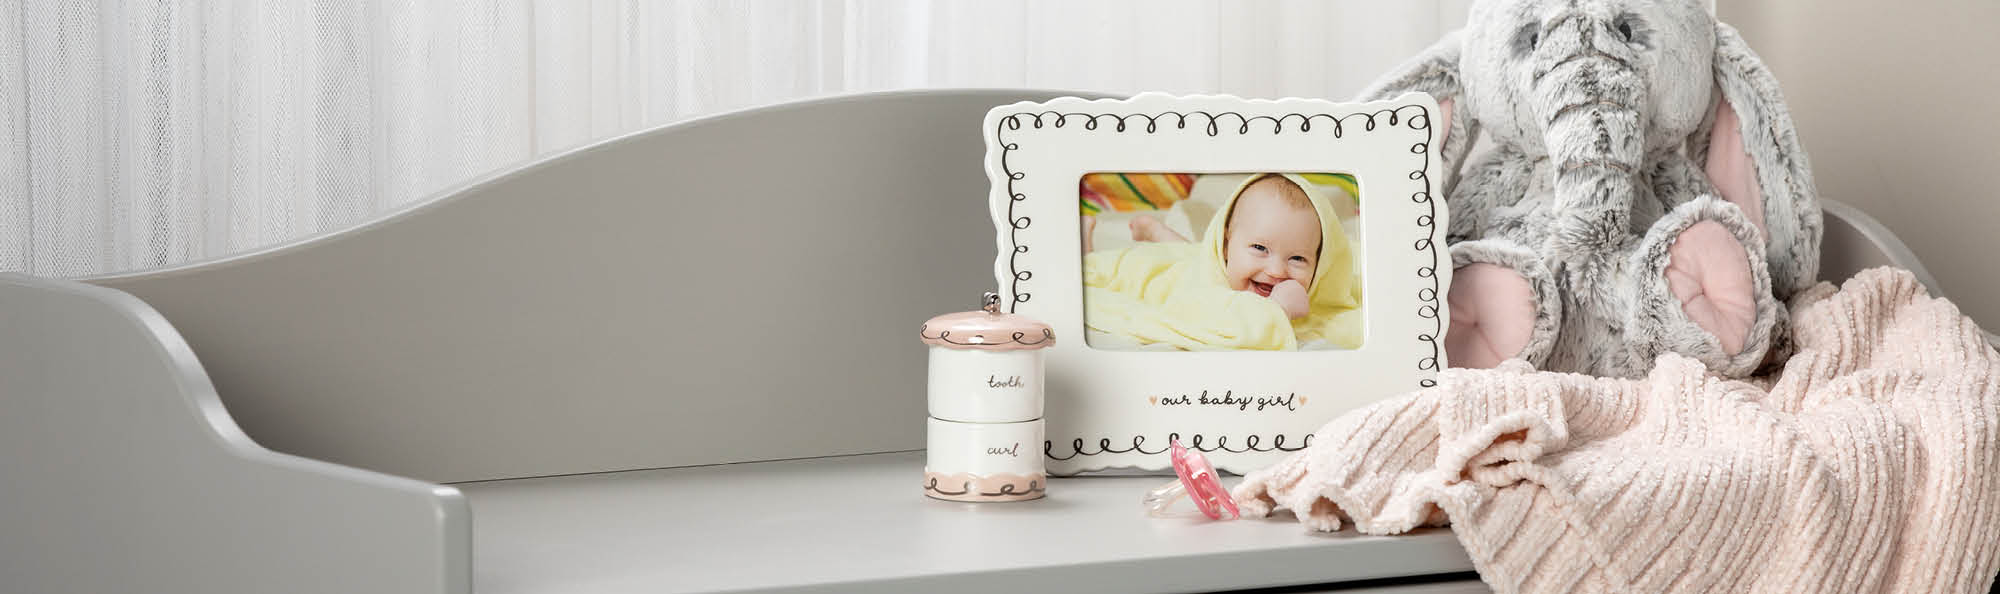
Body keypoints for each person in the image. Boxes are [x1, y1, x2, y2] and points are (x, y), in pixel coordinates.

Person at [1082, 173, 1361, 351]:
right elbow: (1221, 326)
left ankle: (1157, 232)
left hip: (1195, 255)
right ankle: (1093, 243)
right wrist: (1277, 311)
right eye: (1260, 248)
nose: (1277, 271)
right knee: (1110, 267)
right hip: (1178, 272)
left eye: (1298, 258)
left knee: (1190, 250)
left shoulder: (1326, 297)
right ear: (1226, 244)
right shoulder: (1205, 292)